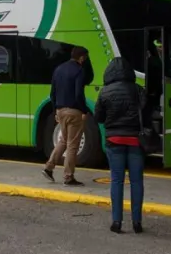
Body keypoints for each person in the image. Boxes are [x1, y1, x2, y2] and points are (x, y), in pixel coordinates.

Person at [94, 56, 146, 234]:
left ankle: (117, 221)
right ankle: (137, 223)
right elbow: (146, 112)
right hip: (135, 140)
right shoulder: (138, 90)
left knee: (117, 180)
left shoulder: (105, 91)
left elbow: (98, 117)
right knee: (136, 181)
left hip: (114, 140)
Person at [43, 46, 90, 186]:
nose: (85, 60)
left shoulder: (59, 69)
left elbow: (53, 93)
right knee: (72, 145)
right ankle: (68, 177)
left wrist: (56, 110)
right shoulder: (79, 70)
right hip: (74, 111)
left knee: (63, 140)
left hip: (60, 110)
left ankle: (48, 168)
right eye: (85, 58)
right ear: (81, 57)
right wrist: (84, 110)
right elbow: (78, 94)